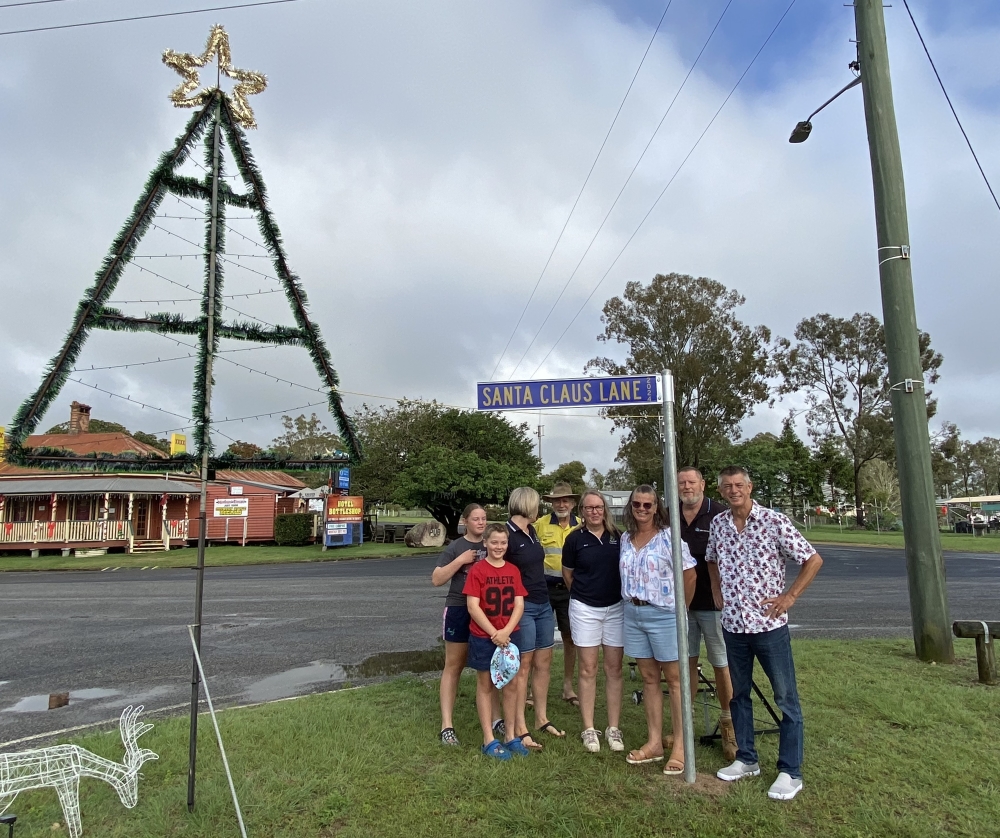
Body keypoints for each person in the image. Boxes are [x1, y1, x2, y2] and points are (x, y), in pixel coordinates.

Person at [707, 466, 824, 801]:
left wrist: (790, 596)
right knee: (738, 695)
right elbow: (711, 558)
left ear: (750, 486)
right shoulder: (719, 524)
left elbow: (812, 559)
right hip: (733, 625)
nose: (733, 491)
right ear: (722, 491)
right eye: (727, 486)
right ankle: (747, 759)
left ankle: (790, 771)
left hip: (769, 626)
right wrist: (716, 588)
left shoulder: (774, 521)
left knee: (785, 699)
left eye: (739, 485)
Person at [620, 485, 697, 775]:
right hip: (634, 613)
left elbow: (689, 575)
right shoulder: (627, 539)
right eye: (637, 505)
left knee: (675, 681)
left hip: (665, 614)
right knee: (649, 678)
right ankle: (654, 742)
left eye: (647, 505)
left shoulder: (669, 538)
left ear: (657, 508)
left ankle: (680, 746)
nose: (642, 510)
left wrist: (682, 611)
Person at [676, 466, 737, 762]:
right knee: (686, 665)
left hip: (714, 604)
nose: (687, 487)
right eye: (681, 483)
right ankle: (683, 729)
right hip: (681, 605)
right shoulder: (669, 515)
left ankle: (729, 726)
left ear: (702, 484)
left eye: (691, 482)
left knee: (720, 664)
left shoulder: (720, 513)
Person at [431, 503, 501, 746]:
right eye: (476, 519)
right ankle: (447, 725)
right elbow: (437, 579)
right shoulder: (457, 547)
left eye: (484, 518)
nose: (481, 523)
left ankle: (496, 719)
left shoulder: (491, 543)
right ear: (465, 521)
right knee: (454, 665)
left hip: (487, 612)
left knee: (490, 667)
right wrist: (460, 560)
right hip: (460, 608)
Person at [561, 489, 624, 753]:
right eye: (589, 508)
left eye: (598, 507)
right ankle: (589, 728)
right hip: (585, 608)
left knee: (614, 668)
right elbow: (568, 574)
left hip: (616, 608)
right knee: (588, 668)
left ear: (605, 509)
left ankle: (613, 727)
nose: (594, 512)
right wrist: (584, 594)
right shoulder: (575, 539)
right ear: (582, 512)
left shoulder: (619, 537)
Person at [463, 523, 530, 760]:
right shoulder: (478, 570)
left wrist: (507, 631)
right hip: (484, 636)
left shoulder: (513, 570)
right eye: (494, 542)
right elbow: (473, 605)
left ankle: (511, 734)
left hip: (510, 635)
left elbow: (519, 604)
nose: (499, 546)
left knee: (511, 684)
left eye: (503, 542)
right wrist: (495, 633)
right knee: (486, 685)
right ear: (485, 543)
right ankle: (488, 739)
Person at [504, 486, 563, 750]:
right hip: (522, 606)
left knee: (544, 661)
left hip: (542, 602)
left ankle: (541, 717)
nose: (540, 507)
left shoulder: (532, 531)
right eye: (537, 503)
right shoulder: (508, 534)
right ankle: (519, 726)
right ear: (527, 504)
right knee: (523, 665)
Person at [534, 481, 581, 708]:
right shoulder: (540, 525)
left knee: (570, 638)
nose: (561, 504)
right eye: (557, 501)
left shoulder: (581, 526)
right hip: (543, 589)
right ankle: (533, 690)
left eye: (565, 500)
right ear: (551, 503)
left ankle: (568, 687)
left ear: (572, 503)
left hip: (570, 590)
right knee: (538, 641)